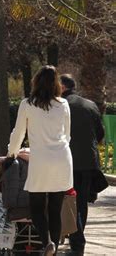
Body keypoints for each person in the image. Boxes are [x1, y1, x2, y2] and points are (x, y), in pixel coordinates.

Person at [7, 65, 73, 256]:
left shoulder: (28, 104)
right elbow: (67, 135)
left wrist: (12, 154)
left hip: (41, 160)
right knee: (55, 208)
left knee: (36, 208)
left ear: (36, 81)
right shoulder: (63, 104)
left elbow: (18, 133)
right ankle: (55, 248)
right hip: (62, 158)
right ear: (56, 83)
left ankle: (47, 243)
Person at [60, 74, 105, 255]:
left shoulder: (59, 105)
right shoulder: (90, 105)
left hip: (66, 161)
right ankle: (76, 238)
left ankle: (76, 241)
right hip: (89, 161)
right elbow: (100, 133)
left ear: (62, 87)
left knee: (65, 200)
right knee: (81, 203)